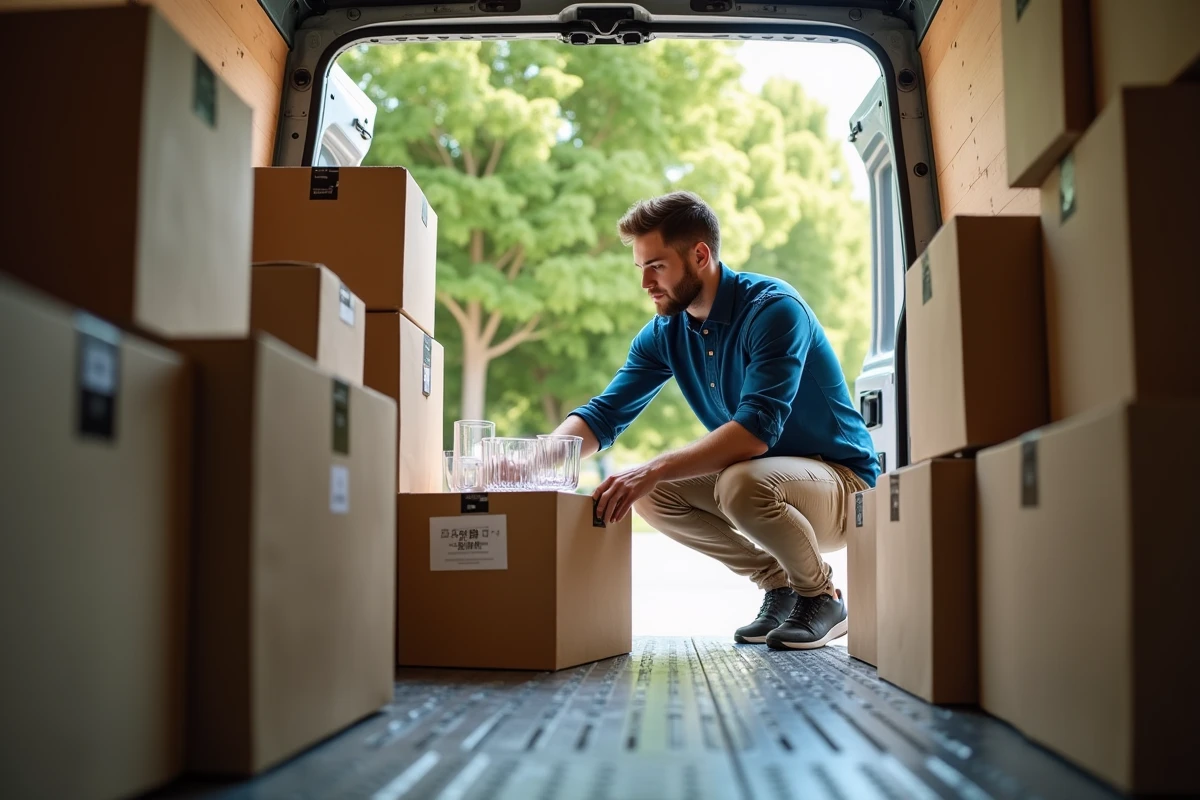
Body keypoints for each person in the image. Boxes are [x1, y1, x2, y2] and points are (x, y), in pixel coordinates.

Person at [549, 191, 880, 651]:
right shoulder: (666, 332)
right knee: (649, 495)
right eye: (640, 268)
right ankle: (780, 585)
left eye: (657, 266)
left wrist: (656, 466)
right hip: (764, 481)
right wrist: (537, 461)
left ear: (700, 255)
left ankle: (821, 596)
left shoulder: (774, 310)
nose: (645, 282)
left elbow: (755, 433)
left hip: (844, 486)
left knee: (736, 481)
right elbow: (605, 413)